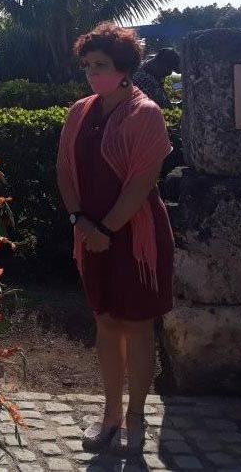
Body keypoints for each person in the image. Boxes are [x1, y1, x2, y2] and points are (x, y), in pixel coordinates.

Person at [56, 24, 174, 455]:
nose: (92, 75)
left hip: (134, 236)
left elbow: (141, 182)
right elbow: (65, 170)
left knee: (138, 326)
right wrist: (80, 221)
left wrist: (106, 229)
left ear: (125, 69)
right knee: (106, 323)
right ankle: (110, 415)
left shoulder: (146, 114)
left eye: (101, 66)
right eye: (88, 67)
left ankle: (136, 417)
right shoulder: (80, 111)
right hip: (89, 233)